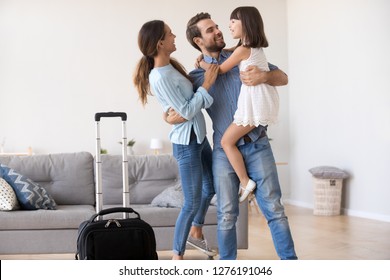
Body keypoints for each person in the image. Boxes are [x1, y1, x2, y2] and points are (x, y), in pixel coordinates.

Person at [172, 11, 297, 260]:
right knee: (226, 214)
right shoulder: (197, 78)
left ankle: (290, 263)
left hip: (257, 143)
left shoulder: (243, 54)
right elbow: (179, 105)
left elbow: (282, 77)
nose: (218, 30)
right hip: (223, 152)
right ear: (198, 41)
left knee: (274, 209)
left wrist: (264, 76)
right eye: (210, 30)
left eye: (217, 27)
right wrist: (169, 116)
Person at [133, 20, 219, 260]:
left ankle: (196, 229)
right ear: (160, 42)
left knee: (210, 186)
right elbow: (188, 110)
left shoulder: (172, 67)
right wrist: (208, 85)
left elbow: (185, 106)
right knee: (190, 202)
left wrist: (202, 81)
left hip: (198, 137)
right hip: (186, 144)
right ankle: (177, 256)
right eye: (170, 34)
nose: (174, 37)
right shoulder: (160, 77)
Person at [198, 7, 279, 203]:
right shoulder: (249, 49)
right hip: (259, 104)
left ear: (246, 24)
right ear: (198, 41)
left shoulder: (242, 50)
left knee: (226, 142)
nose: (228, 26)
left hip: (254, 107)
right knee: (227, 142)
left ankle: (245, 182)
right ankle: (245, 182)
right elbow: (234, 53)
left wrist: (202, 64)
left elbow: (219, 70)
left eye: (233, 21)